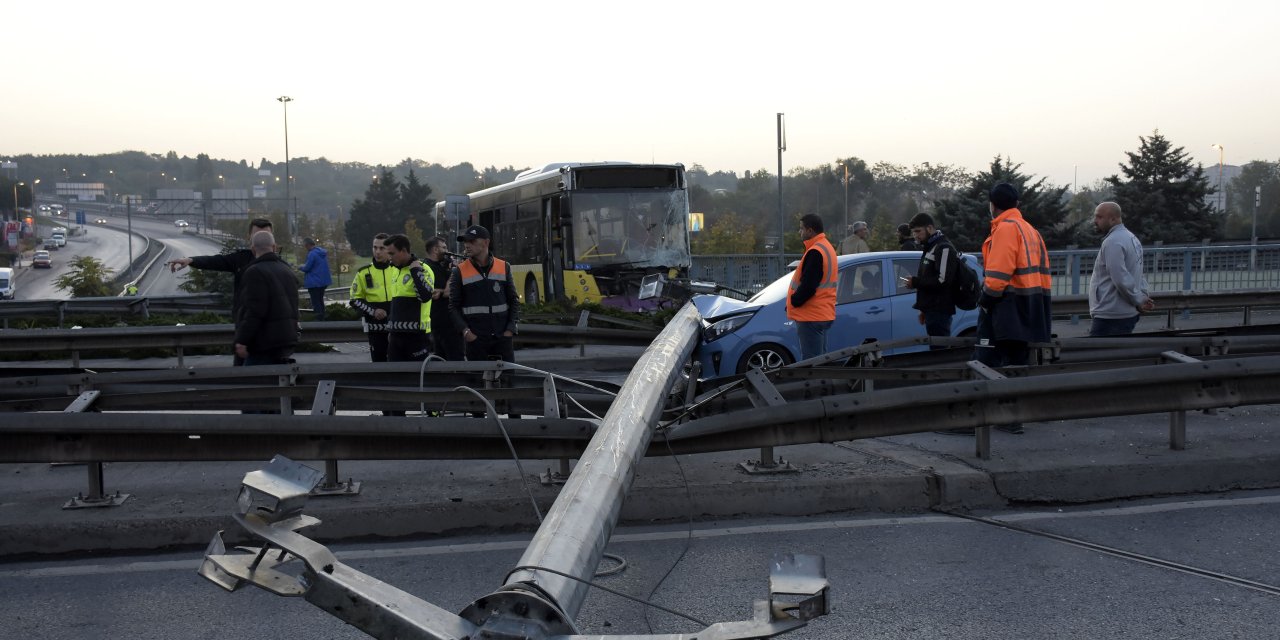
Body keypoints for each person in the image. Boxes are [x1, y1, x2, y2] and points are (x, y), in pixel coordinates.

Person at [957, 183, 1051, 436]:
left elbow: (998, 277)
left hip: (1005, 307)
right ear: (1017, 204)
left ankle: (971, 420)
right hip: (1029, 305)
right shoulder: (1030, 230)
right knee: (1015, 363)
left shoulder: (1005, 230)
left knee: (984, 361)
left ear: (992, 205)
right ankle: (1011, 418)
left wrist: (985, 300)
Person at [167, 217, 274, 365]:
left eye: (265, 236)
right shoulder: (241, 259)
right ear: (249, 238)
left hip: (269, 329)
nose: (261, 240)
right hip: (243, 324)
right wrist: (191, 260)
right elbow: (216, 261)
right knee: (242, 371)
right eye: (258, 236)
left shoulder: (278, 266)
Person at [449, 225, 519, 365]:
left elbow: (513, 300)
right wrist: (466, 332)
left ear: (486, 242)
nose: (467, 245)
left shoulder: (504, 266)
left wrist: (510, 329)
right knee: (477, 382)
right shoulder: (459, 271)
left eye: (472, 241)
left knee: (508, 381)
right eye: (465, 241)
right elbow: (453, 307)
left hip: (502, 338)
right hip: (476, 340)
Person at [233, 230, 300, 367]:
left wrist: (242, 340)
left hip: (264, 342)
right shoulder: (287, 270)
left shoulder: (255, 272)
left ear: (253, 249)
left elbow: (255, 311)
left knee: (250, 384)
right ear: (274, 247)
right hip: (286, 340)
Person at [1089, 202, 1155, 336]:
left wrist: (1139, 299)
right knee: (1115, 354)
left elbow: (1120, 278)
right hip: (1124, 311)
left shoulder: (1113, 241)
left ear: (1113, 219)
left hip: (1111, 313)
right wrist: (1141, 296)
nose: (1095, 221)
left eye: (1099, 217)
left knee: (1096, 355)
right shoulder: (1131, 238)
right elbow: (1137, 272)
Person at [786, 213, 838, 361]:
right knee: (820, 360)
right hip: (823, 311)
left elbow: (809, 285)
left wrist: (795, 301)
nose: (799, 232)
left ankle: (818, 384)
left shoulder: (815, 251)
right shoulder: (826, 247)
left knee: (811, 364)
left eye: (801, 228)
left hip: (811, 314)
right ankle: (822, 383)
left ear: (810, 231)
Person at [903, 212, 959, 344]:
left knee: (940, 355)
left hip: (940, 311)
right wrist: (923, 309)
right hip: (931, 310)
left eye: (918, 231)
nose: (916, 236)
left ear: (929, 228)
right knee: (935, 350)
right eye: (914, 232)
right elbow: (928, 276)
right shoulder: (930, 247)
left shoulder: (943, 247)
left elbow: (942, 280)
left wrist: (915, 282)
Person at [382, 234, 435, 362]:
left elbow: (425, 296)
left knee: (416, 378)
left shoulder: (423, 269)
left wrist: (415, 272)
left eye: (392, 253)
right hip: (396, 336)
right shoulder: (395, 270)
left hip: (417, 335)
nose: (389, 257)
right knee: (395, 377)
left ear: (404, 251)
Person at [349, 233, 397, 362]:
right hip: (375, 329)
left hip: (399, 327)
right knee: (379, 363)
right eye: (375, 248)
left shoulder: (398, 270)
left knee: (399, 364)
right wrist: (373, 311)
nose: (377, 252)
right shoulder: (363, 273)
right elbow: (354, 299)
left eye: (382, 248)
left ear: (389, 249)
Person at [424, 235, 465, 361]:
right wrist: (456, 270)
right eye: (444, 247)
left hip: (441, 320)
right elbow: (448, 291)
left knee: (441, 356)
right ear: (435, 249)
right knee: (454, 355)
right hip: (443, 320)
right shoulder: (427, 268)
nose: (447, 251)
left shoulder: (440, 266)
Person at [300, 238, 333, 321]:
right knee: (320, 300)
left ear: (308, 245)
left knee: (315, 302)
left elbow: (307, 268)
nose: (305, 248)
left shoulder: (312, 254)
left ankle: (318, 320)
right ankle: (323, 317)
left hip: (314, 283)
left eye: (305, 246)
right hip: (323, 282)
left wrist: (300, 267)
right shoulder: (321, 252)